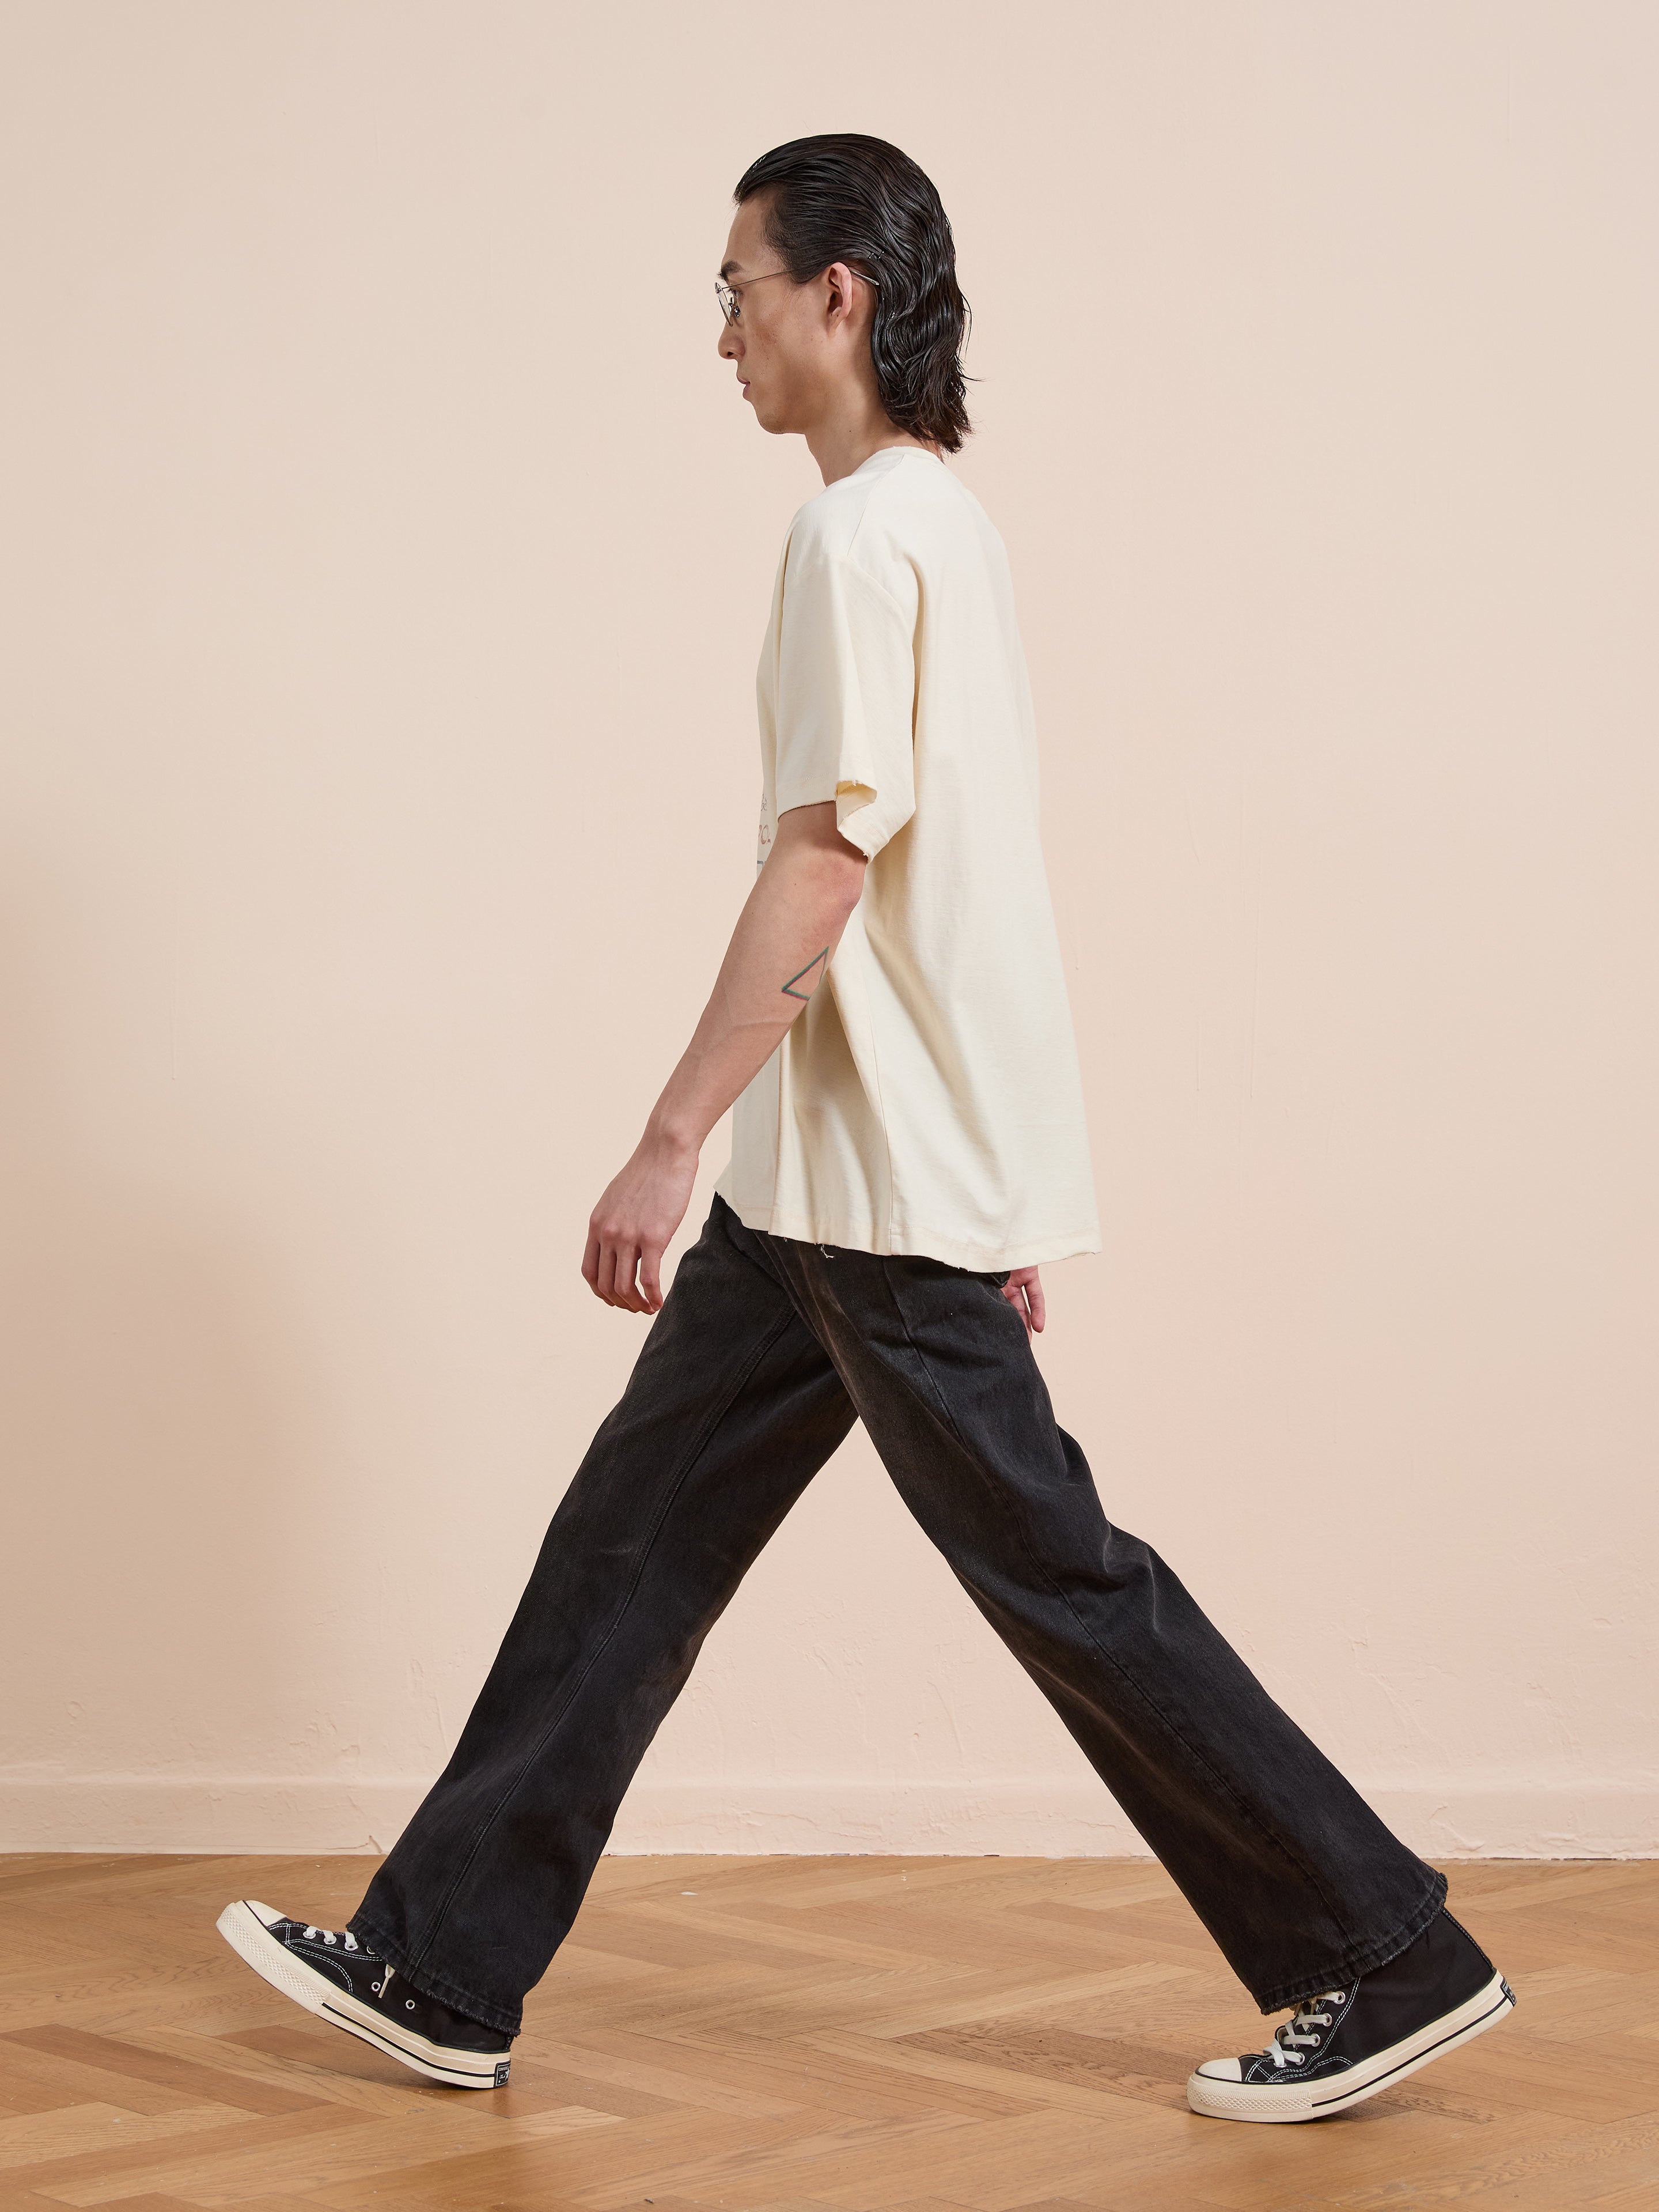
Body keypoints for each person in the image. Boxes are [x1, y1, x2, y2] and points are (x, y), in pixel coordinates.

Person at [217, 132, 1513, 2123]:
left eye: (737, 286)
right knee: (628, 1551)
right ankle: (442, 1966)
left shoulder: (856, 543)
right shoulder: (938, 525)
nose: (718, 330)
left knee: (1062, 1580)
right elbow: (962, 891)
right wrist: (961, 1176)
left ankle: (1379, 1951)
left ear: (841, 294)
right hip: (841, 1182)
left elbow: (829, 866)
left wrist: (666, 1136)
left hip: (869, 1194)